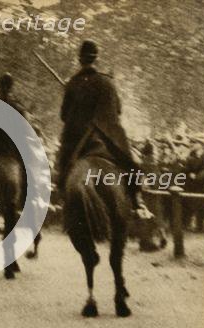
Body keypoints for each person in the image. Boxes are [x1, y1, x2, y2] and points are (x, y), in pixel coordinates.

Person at [56, 40, 152, 219]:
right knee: (131, 164)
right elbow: (118, 110)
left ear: (80, 59)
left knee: (63, 166)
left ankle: (63, 199)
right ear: (95, 58)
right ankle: (137, 200)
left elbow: (64, 116)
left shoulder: (72, 84)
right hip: (107, 136)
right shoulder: (107, 82)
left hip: (79, 139)